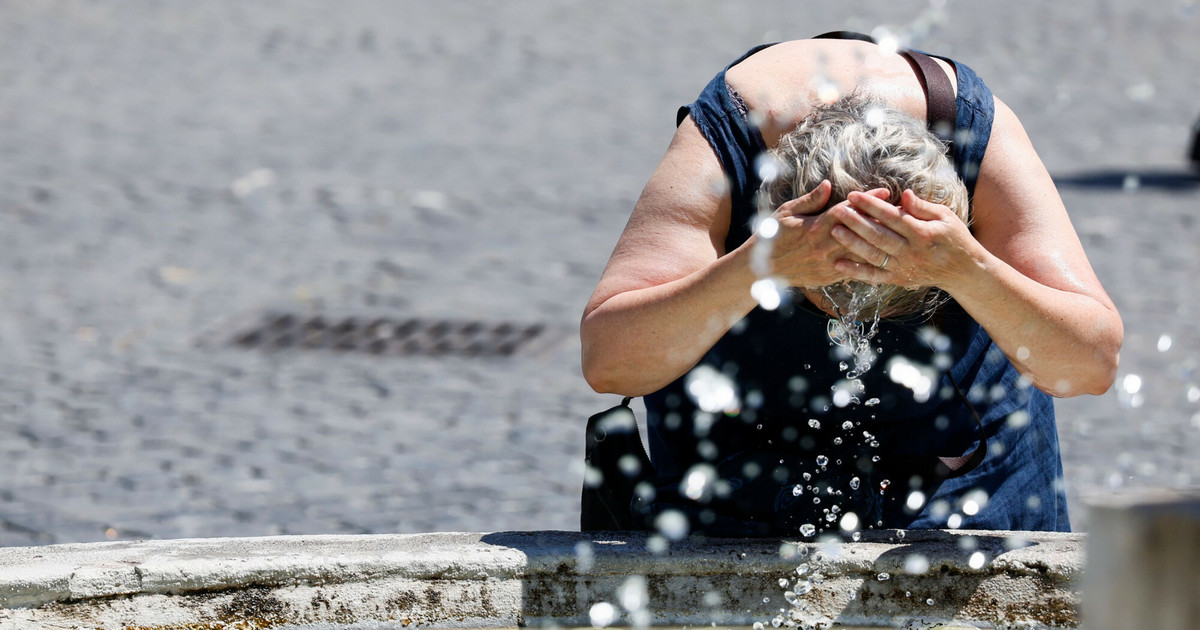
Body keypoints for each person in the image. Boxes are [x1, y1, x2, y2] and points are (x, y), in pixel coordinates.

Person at [579, 34, 1123, 536]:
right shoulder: (726, 141)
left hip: (971, 468)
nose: (856, 324)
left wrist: (967, 269)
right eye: (824, 296)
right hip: (742, 474)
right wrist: (755, 267)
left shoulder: (979, 136)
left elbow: (1091, 364)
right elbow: (609, 361)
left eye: (909, 298)